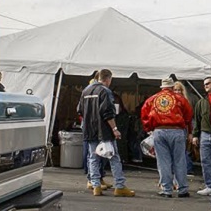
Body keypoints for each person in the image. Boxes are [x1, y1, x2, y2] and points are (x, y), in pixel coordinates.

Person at [77, 69, 135, 197]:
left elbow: (79, 110)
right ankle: (119, 186)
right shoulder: (105, 91)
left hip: (90, 130)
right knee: (114, 157)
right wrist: (115, 129)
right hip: (104, 131)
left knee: (93, 158)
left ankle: (96, 185)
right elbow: (108, 113)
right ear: (108, 79)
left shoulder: (85, 91)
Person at [141, 77, 193, 198]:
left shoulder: (152, 99)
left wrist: (149, 128)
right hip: (177, 131)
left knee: (163, 161)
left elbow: (144, 113)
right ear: (172, 87)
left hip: (159, 131)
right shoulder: (180, 98)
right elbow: (189, 114)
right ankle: (182, 189)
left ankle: (167, 189)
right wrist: (183, 123)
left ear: (162, 87)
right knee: (179, 160)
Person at [192, 76, 211, 196]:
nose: (206, 86)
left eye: (208, 83)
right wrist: (195, 135)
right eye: (204, 84)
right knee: (205, 161)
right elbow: (197, 120)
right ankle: (209, 185)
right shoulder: (201, 102)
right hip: (204, 133)